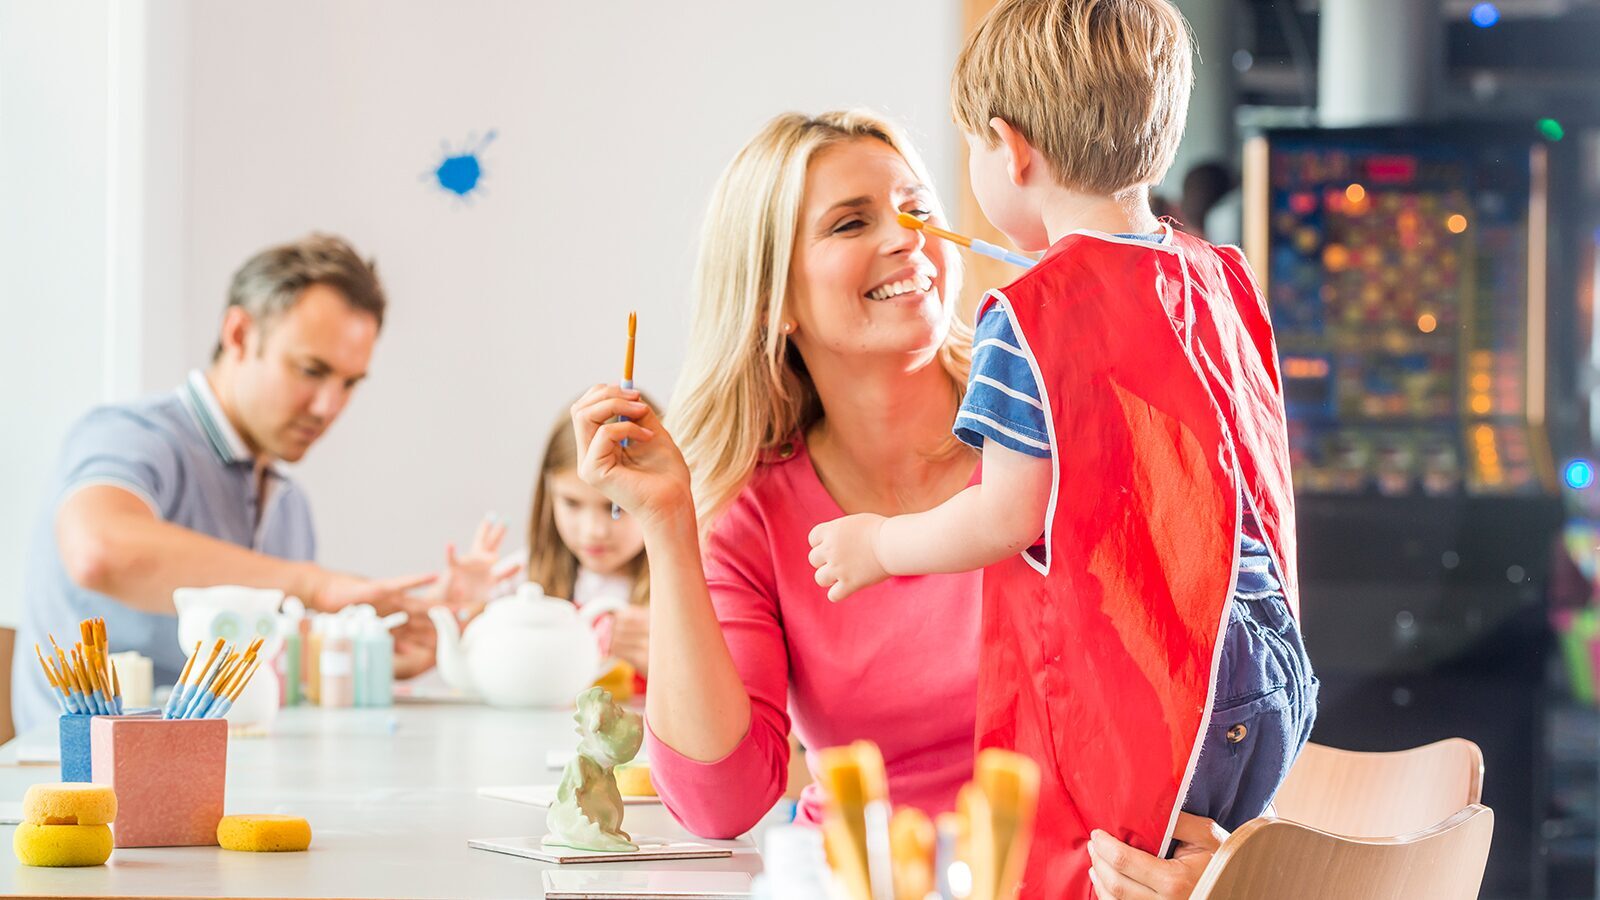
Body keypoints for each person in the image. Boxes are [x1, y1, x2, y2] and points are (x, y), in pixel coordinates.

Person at [806, 1, 1316, 896]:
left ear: (1011, 149)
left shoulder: (1029, 315)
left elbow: (1008, 512)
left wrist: (880, 543)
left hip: (1149, 691)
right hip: (1267, 671)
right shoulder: (1222, 277)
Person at [569, 109, 981, 835]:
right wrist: (669, 527)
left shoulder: (1043, 436)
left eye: (918, 209)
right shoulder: (754, 510)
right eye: (851, 224)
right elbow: (720, 804)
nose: (906, 236)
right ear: (772, 300)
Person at [14, 234, 443, 731]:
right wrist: (312, 585)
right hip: (85, 792)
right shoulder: (130, 436)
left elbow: (270, 675)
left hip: (219, 780)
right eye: (311, 370)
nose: (329, 407)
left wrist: (377, 657)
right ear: (238, 334)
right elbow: (99, 550)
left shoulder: (289, 507)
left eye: (349, 383)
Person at [444, 402, 653, 686]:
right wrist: (470, 608)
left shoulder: (687, 587)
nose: (593, 531)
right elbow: (469, 664)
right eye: (571, 503)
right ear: (549, 494)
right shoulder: (518, 577)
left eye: (615, 507)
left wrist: (671, 658)